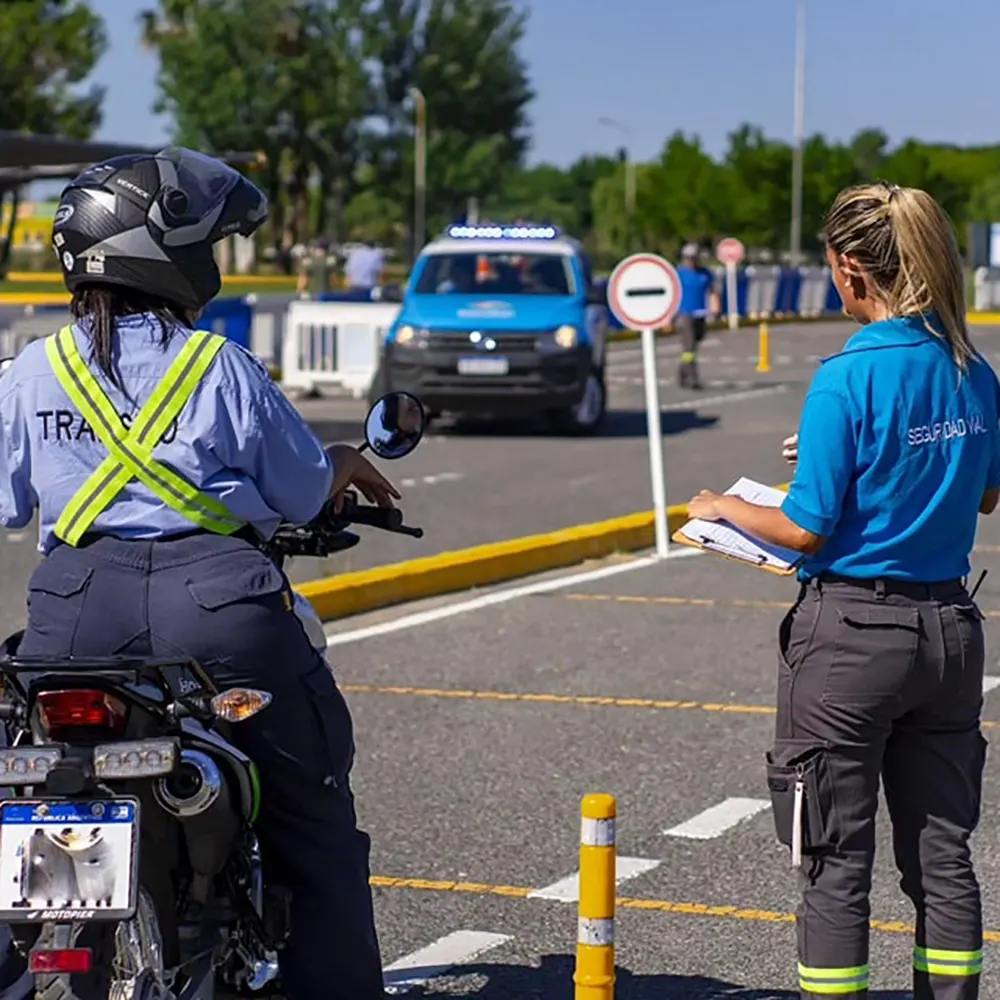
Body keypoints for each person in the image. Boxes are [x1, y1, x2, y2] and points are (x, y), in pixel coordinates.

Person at [0, 147, 398, 1000]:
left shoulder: (31, 371)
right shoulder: (216, 366)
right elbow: (295, 492)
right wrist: (340, 458)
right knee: (313, 822)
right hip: (220, 613)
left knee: (46, 794)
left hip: (71, 622)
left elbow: (6, 502)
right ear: (168, 251)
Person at [688, 181, 997, 1000]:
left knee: (832, 861)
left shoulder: (847, 377)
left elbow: (805, 529)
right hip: (951, 630)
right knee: (942, 858)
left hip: (853, 638)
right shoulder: (971, 366)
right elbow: (986, 493)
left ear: (853, 271)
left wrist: (722, 507)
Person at [675, 242, 720, 389]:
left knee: (696, 342)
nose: (691, 261)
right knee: (689, 347)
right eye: (688, 258)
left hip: (700, 313)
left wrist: (716, 308)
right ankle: (693, 378)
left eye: (694, 258)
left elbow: (713, 291)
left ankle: (682, 371)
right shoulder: (679, 274)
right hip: (684, 314)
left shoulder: (705, 274)